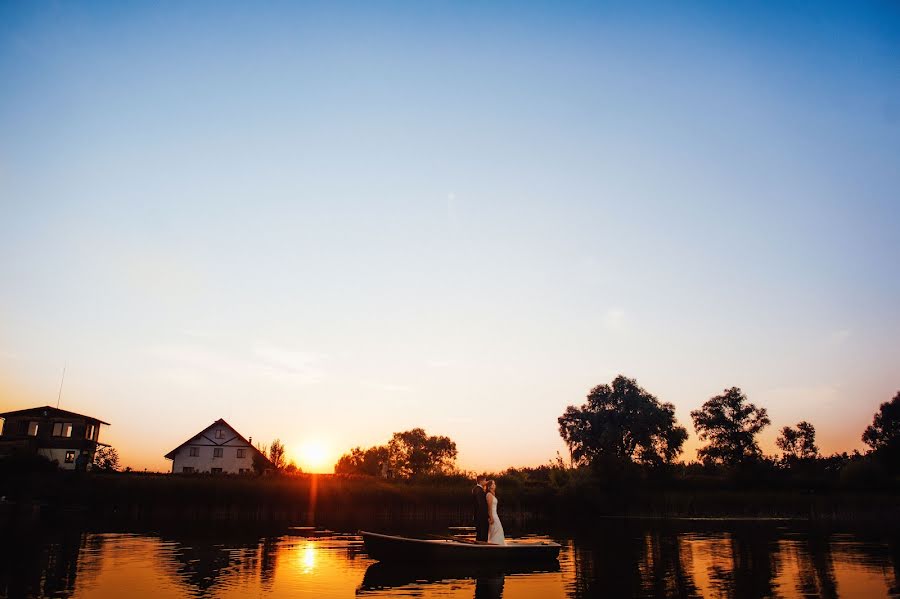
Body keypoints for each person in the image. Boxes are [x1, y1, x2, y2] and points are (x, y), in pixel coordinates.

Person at [486, 480, 505, 545]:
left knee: (499, 530)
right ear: (489, 486)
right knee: (496, 531)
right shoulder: (489, 495)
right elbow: (489, 508)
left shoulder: (492, 494)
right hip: (493, 516)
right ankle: (494, 544)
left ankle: (498, 544)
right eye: (493, 484)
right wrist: (491, 517)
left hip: (495, 515)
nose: (495, 485)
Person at [472, 475, 489, 542]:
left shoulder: (476, 489)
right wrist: (486, 515)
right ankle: (482, 547)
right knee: (483, 533)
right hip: (481, 516)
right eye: (485, 480)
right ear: (481, 481)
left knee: (480, 533)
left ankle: (479, 547)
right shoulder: (479, 490)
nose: (486, 482)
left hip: (478, 515)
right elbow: (481, 505)